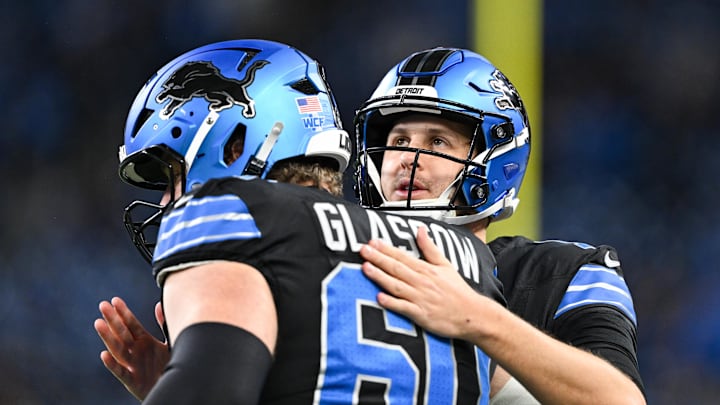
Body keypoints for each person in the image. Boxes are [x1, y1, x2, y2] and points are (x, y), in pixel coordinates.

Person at [101, 38, 507, 404]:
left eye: (172, 175)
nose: (169, 200)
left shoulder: (232, 214)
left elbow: (211, 393)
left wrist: (187, 379)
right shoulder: (462, 257)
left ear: (236, 144)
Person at [353, 47, 645, 404]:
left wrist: (475, 319)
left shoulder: (562, 273)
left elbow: (621, 401)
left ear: (494, 162)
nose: (407, 159)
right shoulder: (343, 259)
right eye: (398, 141)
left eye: (437, 141)